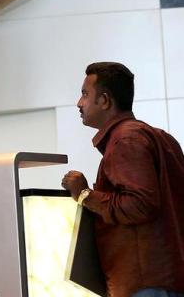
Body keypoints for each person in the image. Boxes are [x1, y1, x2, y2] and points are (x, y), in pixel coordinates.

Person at [61, 62, 184, 297]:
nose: (79, 103)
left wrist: (84, 195)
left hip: (145, 286)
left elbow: (140, 205)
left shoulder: (125, 140)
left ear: (105, 101)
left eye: (85, 94)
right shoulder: (161, 139)